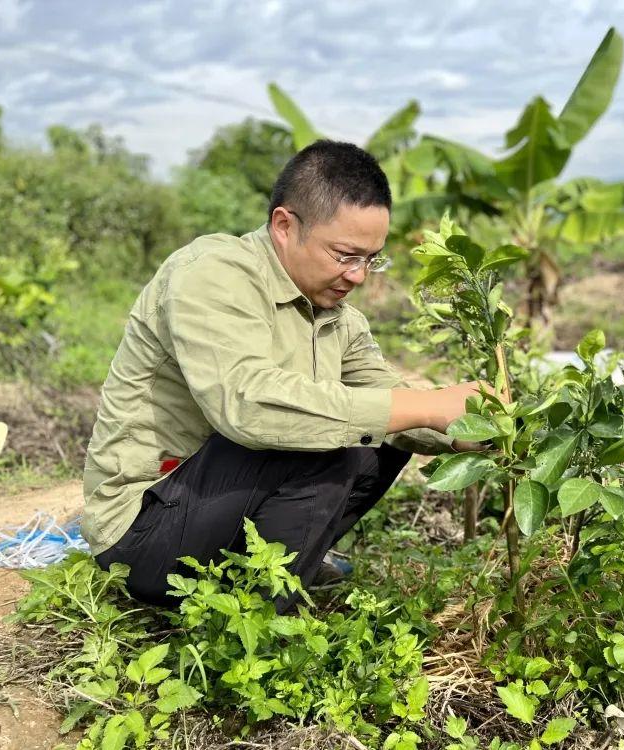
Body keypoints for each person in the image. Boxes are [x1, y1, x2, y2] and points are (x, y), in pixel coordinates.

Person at [81, 139, 483, 612]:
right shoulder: (213, 273)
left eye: (371, 259)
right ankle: (267, 622)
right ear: (284, 226)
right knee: (327, 437)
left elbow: (385, 395)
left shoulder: (337, 315)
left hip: (215, 509)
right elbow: (247, 405)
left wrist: (465, 430)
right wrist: (427, 405)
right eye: (345, 255)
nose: (358, 276)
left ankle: (272, 572)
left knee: (384, 434)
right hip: (144, 527)